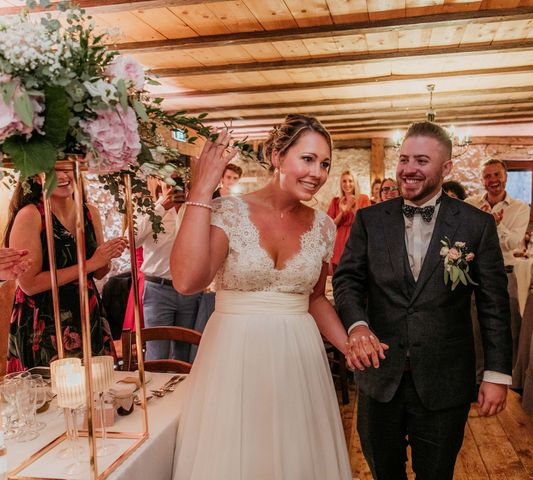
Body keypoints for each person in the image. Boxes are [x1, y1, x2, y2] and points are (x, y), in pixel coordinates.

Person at [171, 115, 355, 479]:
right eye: (307, 159)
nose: (317, 172)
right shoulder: (227, 212)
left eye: (324, 163)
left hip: (299, 359)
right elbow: (188, 281)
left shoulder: (323, 226)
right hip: (234, 355)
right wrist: (201, 191)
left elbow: (316, 299)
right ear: (276, 156)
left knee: (297, 456)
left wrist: (348, 346)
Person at [333, 121, 512, 480]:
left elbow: (494, 304)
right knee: (384, 472)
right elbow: (348, 280)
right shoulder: (370, 220)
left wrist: (497, 374)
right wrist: (357, 325)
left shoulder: (476, 225)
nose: (409, 169)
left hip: (445, 379)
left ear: (446, 169)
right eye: (404, 159)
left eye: (421, 160)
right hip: (380, 376)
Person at [4, 169, 125, 372]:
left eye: (67, 167)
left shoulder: (89, 212)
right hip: (44, 319)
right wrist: (91, 263)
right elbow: (29, 285)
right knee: (50, 394)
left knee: (98, 385)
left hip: (87, 311)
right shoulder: (31, 215)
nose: (63, 176)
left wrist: (108, 255)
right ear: (35, 175)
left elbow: (99, 273)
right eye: (53, 169)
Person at [133, 178, 202, 362]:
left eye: (179, 182)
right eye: (169, 182)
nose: (174, 187)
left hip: (191, 290)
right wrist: (161, 207)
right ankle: (156, 391)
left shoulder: (197, 211)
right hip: (158, 291)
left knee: (186, 354)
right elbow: (130, 241)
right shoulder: (148, 210)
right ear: (159, 182)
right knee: (157, 355)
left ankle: (185, 391)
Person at [466, 159, 530, 257]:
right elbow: (463, 239)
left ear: (506, 177)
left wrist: (498, 226)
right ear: (482, 181)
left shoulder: (521, 208)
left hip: (505, 269)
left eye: (497, 174)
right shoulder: (469, 204)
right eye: (487, 176)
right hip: (474, 269)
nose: (493, 179)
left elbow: (513, 245)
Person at [327, 170, 370, 272]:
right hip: (339, 244)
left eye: (350, 181)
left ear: (355, 183)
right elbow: (330, 227)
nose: (347, 184)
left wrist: (354, 209)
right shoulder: (335, 201)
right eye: (344, 181)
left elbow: (367, 223)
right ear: (341, 184)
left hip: (357, 241)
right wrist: (342, 212)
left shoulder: (363, 198)